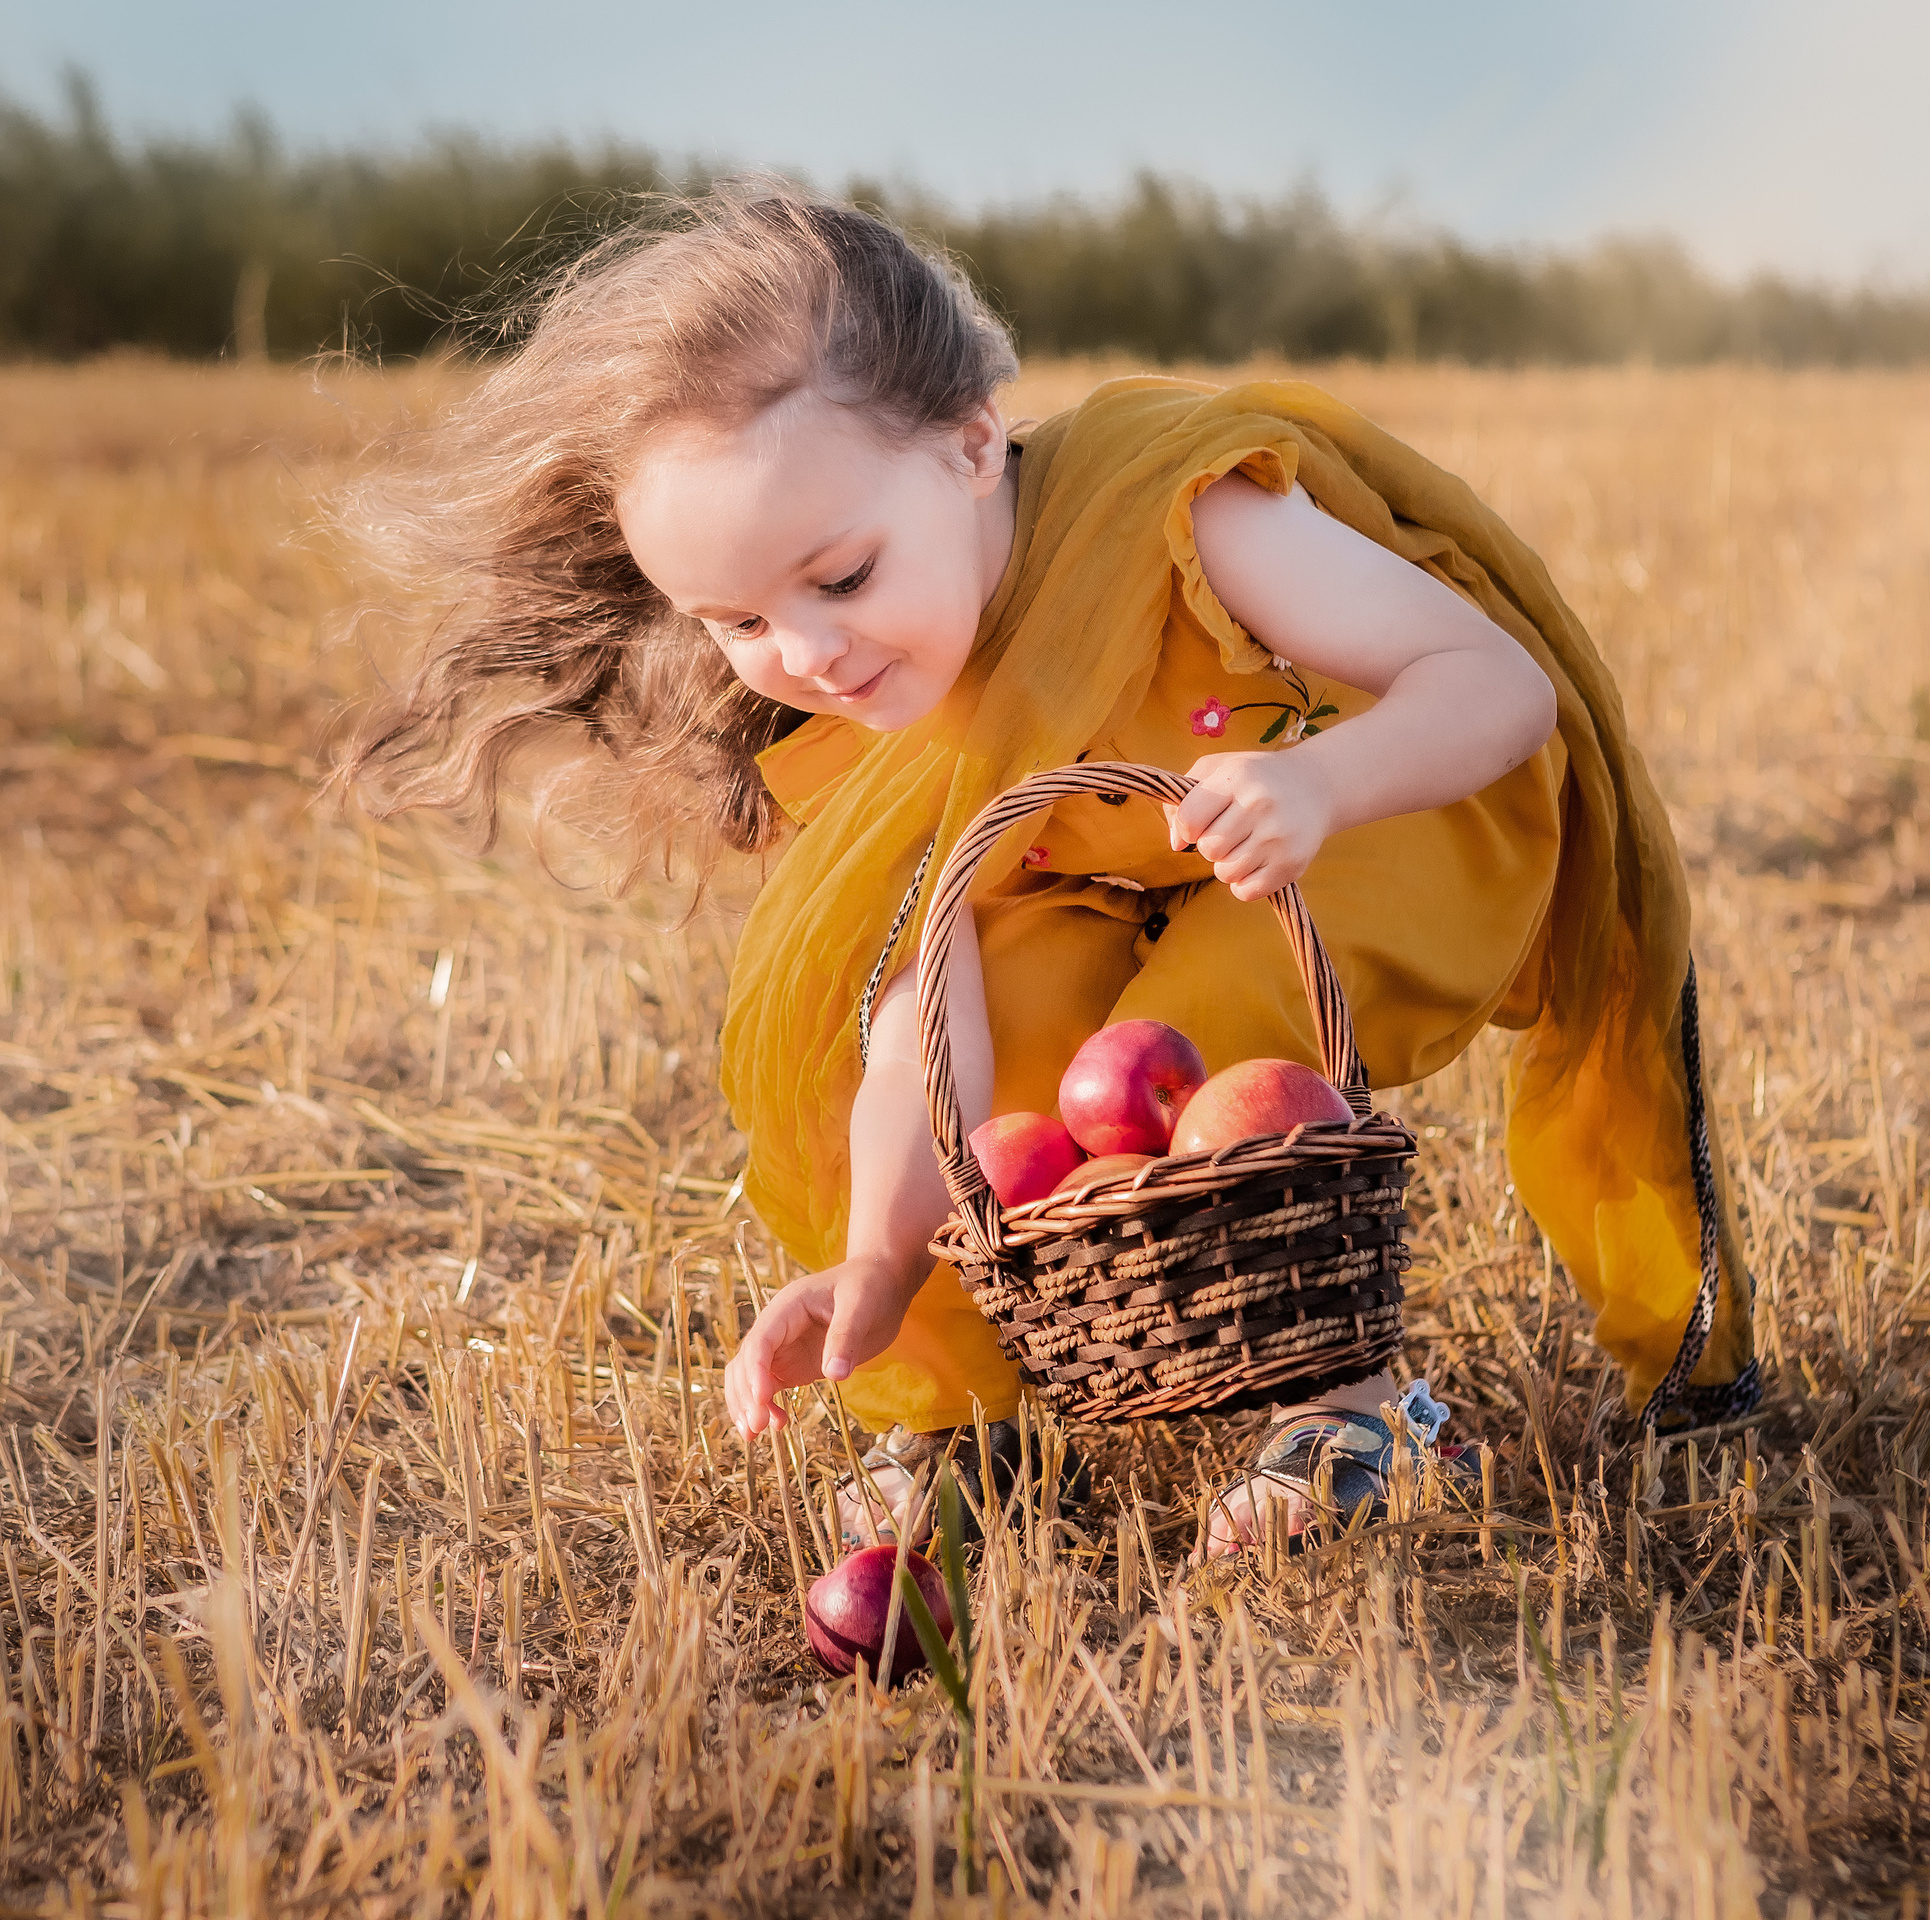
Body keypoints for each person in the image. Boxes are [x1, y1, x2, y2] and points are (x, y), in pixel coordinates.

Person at [342, 181, 1759, 1563]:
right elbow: (926, 1023)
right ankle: (972, 1435)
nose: (808, 654)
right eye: (736, 620)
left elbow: (1495, 685)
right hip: (1111, 865)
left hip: (1383, 800)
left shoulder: (1181, 518)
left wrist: (1321, 783)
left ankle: (1365, 1414)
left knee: (1215, 1017)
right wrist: (886, 1260)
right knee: (994, 1076)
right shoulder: (866, 725)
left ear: (969, 446)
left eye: (839, 577)